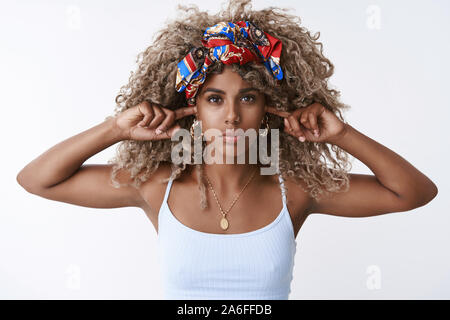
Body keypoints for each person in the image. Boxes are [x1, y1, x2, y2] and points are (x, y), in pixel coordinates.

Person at [16, 0, 438, 300]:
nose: (232, 116)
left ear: (270, 108)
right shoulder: (157, 187)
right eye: (215, 99)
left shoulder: (295, 189)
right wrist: (115, 128)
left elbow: (414, 193)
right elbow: (36, 180)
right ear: (193, 108)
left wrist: (341, 133)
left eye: (248, 98)